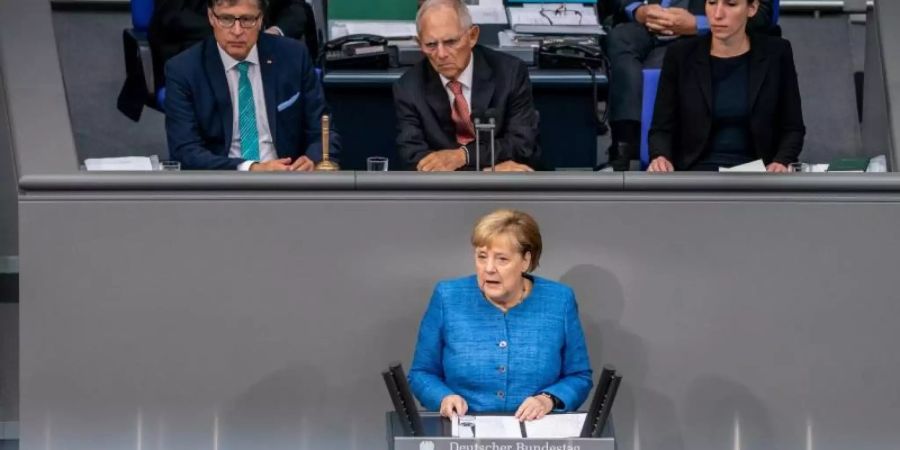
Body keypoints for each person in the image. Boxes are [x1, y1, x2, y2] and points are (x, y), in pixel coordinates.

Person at [408, 209, 593, 420]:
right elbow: (421, 373)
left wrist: (547, 399)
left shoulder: (559, 300)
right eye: (482, 257)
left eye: (502, 259)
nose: (488, 268)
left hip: (536, 435)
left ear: (525, 260)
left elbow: (579, 377)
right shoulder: (448, 297)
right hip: (465, 432)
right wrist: (444, 398)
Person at [164, 0, 340, 170]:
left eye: (247, 19)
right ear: (211, 17)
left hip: (287, 180)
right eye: (226, 19)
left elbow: (324, 131)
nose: (237, 31)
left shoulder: (294, 57)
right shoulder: (184, 70)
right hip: (222, 185)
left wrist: (312, 159)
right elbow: (185, 151)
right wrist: (251, 168)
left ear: (261, 18)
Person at [604, 0, 771, 170]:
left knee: (671, 60)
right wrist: (639, 11)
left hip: (702, 32)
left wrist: (697, 24)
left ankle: (666, 152)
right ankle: (623, 144)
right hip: (646, 25)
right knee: (620, 38)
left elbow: (762, 13)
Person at [647, 0, 804, 172]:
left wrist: (781, 161)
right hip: (695, 174)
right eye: (712, 3)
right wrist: (660, 156)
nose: (718, 14)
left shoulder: (777, 52)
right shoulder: (680, 55)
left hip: (759, 175)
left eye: (731, 4)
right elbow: (661, 129)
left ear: (752, 8)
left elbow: (793, 128)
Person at [394, 0, 540, 172]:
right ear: (420, 44)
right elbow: (413, 157)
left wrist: (463, 156)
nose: (441, 54)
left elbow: (522, 144)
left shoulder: (510, 73)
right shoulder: (409, 87)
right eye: (431, 45)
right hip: (445, 192)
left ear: (472, 36)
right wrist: (483, 170)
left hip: (502, 189)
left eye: (450, 42)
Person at [148, 0, 310, 93]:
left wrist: (275, 32)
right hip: (200, 47)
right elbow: (171, 17)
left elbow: (295, 8)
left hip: (265, 51)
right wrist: (230, 31)